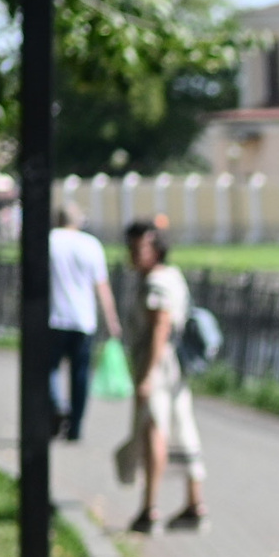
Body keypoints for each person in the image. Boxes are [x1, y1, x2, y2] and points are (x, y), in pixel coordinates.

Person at [117, 220, 205, 532]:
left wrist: (146, 376)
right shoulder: (172, 277)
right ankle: (194, 504)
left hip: (159, 364)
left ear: (155, 249)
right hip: (175, 367)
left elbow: (160, 329)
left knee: (154, 429)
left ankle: (149, 507)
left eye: (138, 248)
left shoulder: (156, 283)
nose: (132, 254)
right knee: (183, 429)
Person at [48, 204, 121, 442]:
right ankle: (76, 426)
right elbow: (102, 286)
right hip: (83, 320)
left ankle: (57, 405)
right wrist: (112, 321)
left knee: (49, 369)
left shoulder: (49, 240)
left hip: (53, 317)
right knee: (80, 375)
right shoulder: (91, 244)